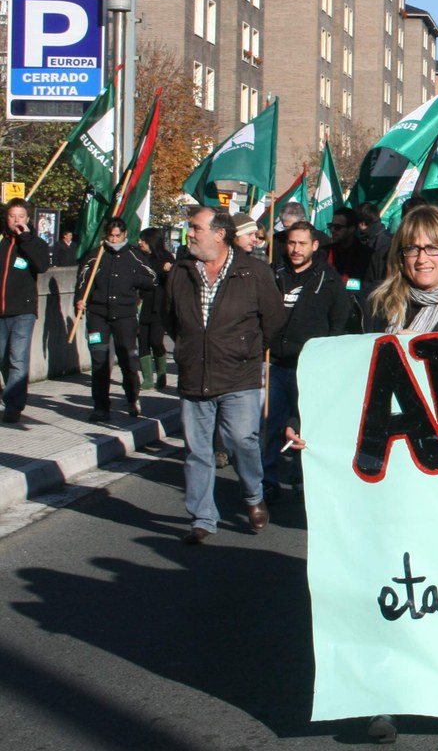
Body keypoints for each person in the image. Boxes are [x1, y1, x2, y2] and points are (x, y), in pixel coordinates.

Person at [163, 208, 286, 545]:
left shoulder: (254, 272)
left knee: (240, 440)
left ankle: (252, 495)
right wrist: (190, 347)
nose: (189, 234)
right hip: (194, 373)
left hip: (239, 373)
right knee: (197, 450)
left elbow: (273, 322)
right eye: (190, 228)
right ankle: (202, 518)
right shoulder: (180, 272)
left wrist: (246, 347)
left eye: (195, 228)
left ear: (219, 234)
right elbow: (169, 319)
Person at [262, 221, 355, 501]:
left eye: (302, 244)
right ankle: (267, 479)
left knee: (308, 429)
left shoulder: (328, 280)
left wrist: (328, 355)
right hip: (275, 363)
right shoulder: (272, 274)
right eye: (292, 243)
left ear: (314, 246)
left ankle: (304, 479)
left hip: (311, 369)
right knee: (270, 423)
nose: (296, 249)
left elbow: (340, 320)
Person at [74, 217, 157, 420]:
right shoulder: (95, 256)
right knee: (99, 360)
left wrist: (133, 280)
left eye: (118, 235)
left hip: (125, 315)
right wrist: (79, 300)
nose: (114, 239)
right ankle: (101, 406)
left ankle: (131, 398)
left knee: (128, 359)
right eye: (111, 235)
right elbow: (83, 281)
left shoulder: (134, 256)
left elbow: (152, 279)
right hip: (98, 314)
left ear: (125, 235)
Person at [366, 204, 438, 334]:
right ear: (400, 257)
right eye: (412, 249)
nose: (422, 259)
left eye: (432, 248)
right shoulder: (377, 300)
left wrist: (422, 347)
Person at [1, 199, 54, 423]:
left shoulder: (36, 244)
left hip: (23, 311)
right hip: (1, 312)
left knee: (18, 359)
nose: (16, 221)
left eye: (20, 216)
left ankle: (13, 405)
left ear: (28, 219)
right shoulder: (2, 242)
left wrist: (25, 240)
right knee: (4, 359)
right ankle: (11, 394)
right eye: (12, 216)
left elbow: (42, 266)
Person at [137, 227, 175, 391]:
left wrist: (168, 271)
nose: (140, 243)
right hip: (143, 303)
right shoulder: (139, 258)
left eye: (143, 241)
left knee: (156, 340)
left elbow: (172, 283)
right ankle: (147, 378)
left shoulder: (166, 258)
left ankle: (161, 372)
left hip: (159, 305)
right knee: (143, 341)